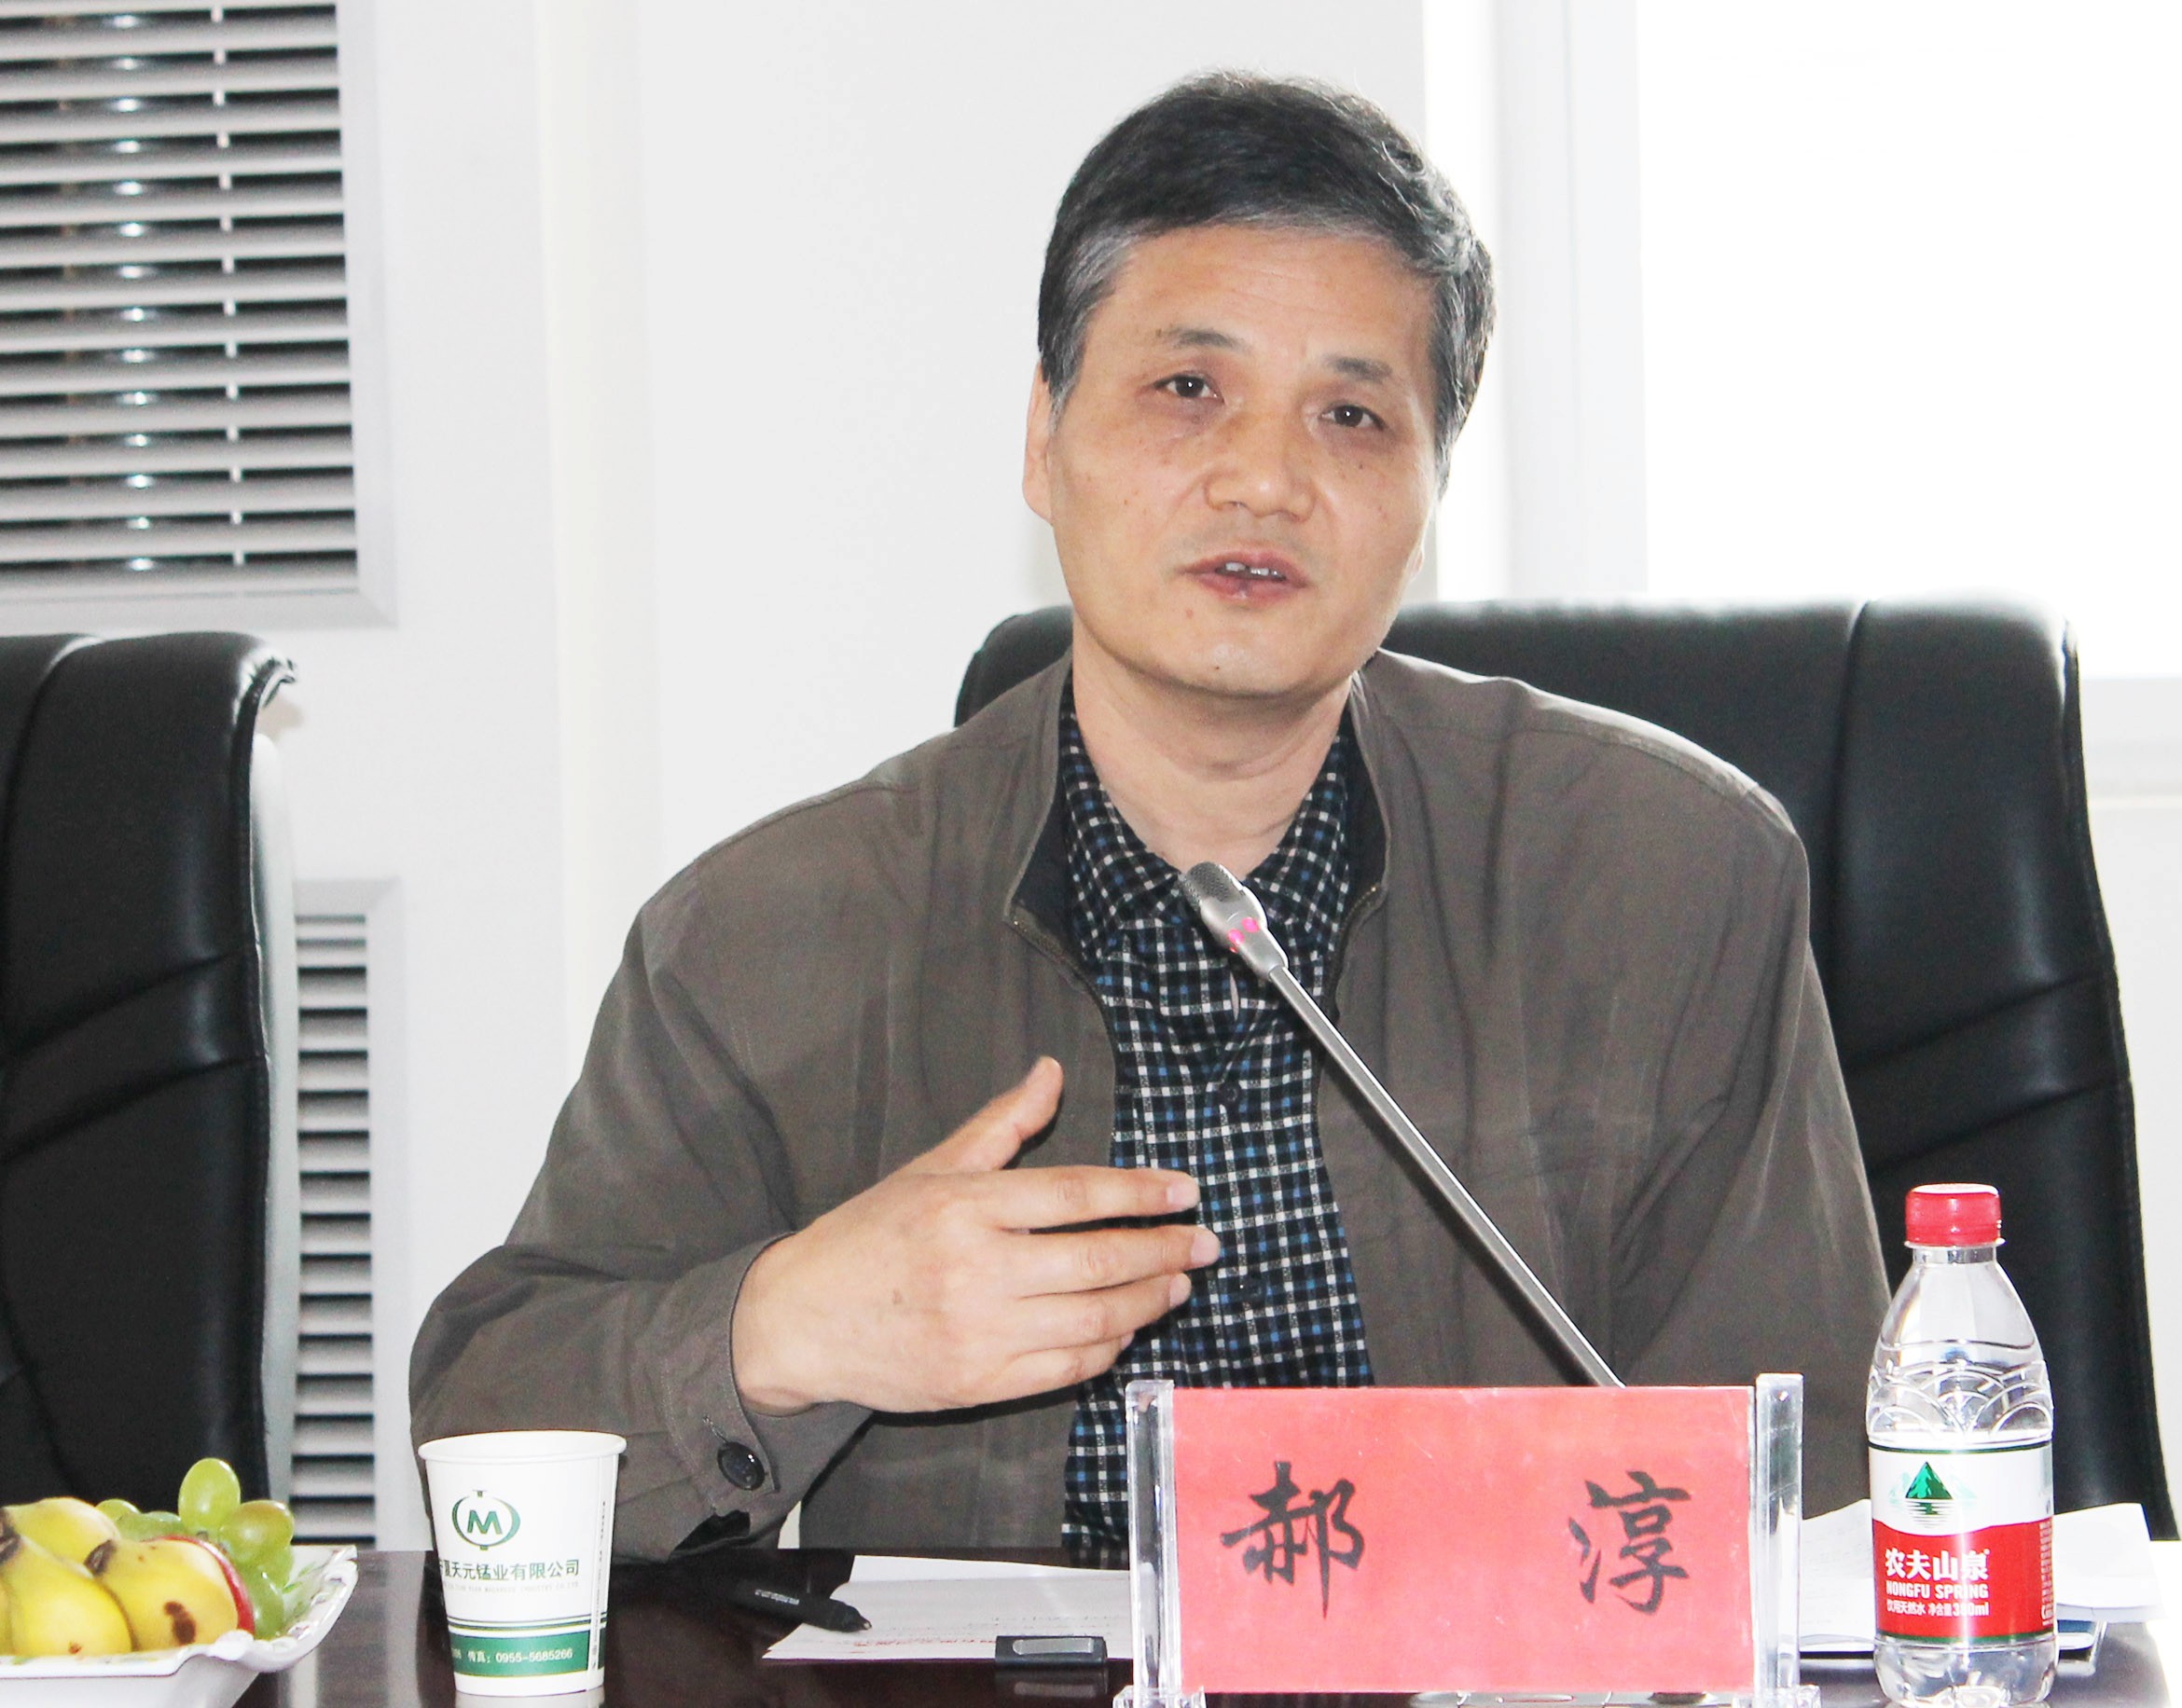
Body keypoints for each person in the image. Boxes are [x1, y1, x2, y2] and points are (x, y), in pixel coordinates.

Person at [410, 72, 1888, 1562]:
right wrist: (783, 1326)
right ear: (1043, 440)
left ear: (1432, 490)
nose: (1265, 479)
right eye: (1189, 390)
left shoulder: (1668, 884)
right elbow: (487, 1432)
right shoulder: (762, 939)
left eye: (1353, 415)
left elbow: (1810, 1485)